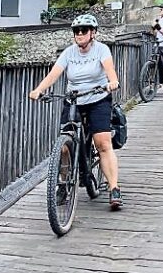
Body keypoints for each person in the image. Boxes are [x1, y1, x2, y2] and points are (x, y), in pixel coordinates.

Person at [29, 13, 123, 210]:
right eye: (76, 31)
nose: (79, 34)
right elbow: (54, 73)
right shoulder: (69, 53)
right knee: (64, 145)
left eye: (84, 30)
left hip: (98, 98)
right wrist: (39, 89)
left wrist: (112, 82)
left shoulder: (101, 50)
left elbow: (110, 70)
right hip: (74, 100)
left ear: (93, 33)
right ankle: (63, 184)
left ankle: (114, 188)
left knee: (103, 143)